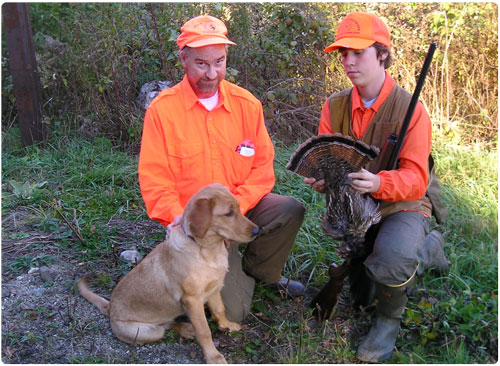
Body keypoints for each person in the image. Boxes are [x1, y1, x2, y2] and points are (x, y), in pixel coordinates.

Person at [138, 15, 305, 323]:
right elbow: (154, 180)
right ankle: (209, 273)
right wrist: (184, 223)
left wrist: (233, 213)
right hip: (197, 226)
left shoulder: (247, 104)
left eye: (219, 62)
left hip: (240, 209)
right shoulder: (163, 111)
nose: (212, 73)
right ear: (183, 58)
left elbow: (262, 167)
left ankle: (260, 272)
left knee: (289, 209)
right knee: (235, 313)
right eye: (201, 63)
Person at [304, 12, 450, 362]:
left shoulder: (412, 109)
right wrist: (323, 181)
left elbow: (416, 179)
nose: (348, 62)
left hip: (404, 204)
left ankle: (389, 321)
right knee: (361, 296)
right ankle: (422, 253)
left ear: (381, 54)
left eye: (358, 52)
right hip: (357, 211)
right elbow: (326, 162)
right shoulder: (334, 106)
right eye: (343, 53)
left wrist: (379, 181)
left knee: (391, 262)